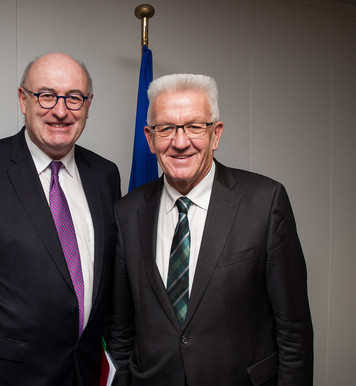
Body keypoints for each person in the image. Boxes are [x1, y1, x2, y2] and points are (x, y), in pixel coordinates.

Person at [0, 52, 121, 386]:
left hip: (83, 373)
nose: (60, 110)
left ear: (88, 105)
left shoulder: (105, 175)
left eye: (74, 98)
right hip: (4, 377)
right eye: (46, 95)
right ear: (22, 100)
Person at [109, 73, 313, 385]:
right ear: (150, 139)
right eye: (166, 129)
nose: (180, 142)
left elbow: (293, 330)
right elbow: (121, 332)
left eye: (194, 126)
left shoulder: (265, 202)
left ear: (215, 134)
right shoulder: (128, 212)